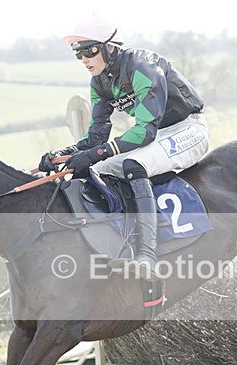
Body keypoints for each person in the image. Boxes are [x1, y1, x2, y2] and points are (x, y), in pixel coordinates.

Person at [38, 16, 209, 280]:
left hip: (187, 129)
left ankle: (148, 256)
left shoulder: (142, 67)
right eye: (78, 53)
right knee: (99, 170)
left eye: (89, 50)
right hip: (156, 136)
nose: (84, 59)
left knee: (133, 165)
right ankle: (123, 241)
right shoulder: (99, 82)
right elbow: (95, 137)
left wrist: (94, 154)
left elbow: (144, 131)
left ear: (110, 47)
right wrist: (63, 154)